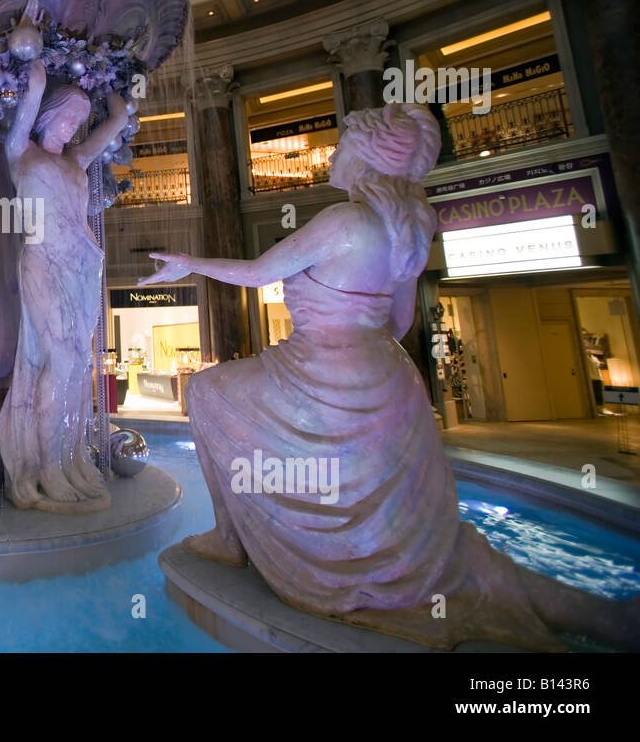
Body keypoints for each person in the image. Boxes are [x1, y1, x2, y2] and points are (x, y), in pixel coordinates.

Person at [139, 100, 638, 650]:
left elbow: (259, 274)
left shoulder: (345, 220)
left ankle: (230, 537)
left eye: (344, 143)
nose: (334, 152)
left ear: (366, 153)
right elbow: (399, 320)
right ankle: (601, 615)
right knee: (427, 547)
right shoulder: (410, 227)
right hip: (388, 376)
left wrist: (190, 264)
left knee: (208, 390)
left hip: (324, 368)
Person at [0, 18, 130, 513]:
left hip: (82, 265)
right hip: (43, 261)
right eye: (67, 116)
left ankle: (68, 459)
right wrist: (30, 37)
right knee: (62, 360)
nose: (73, 126)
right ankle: (45, 468)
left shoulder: (78, 161)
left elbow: (117, 121)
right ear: (48, 115)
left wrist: (115, 78)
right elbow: (31, 85)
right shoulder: (22, 152)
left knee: (80, 364)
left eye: (79, 120)